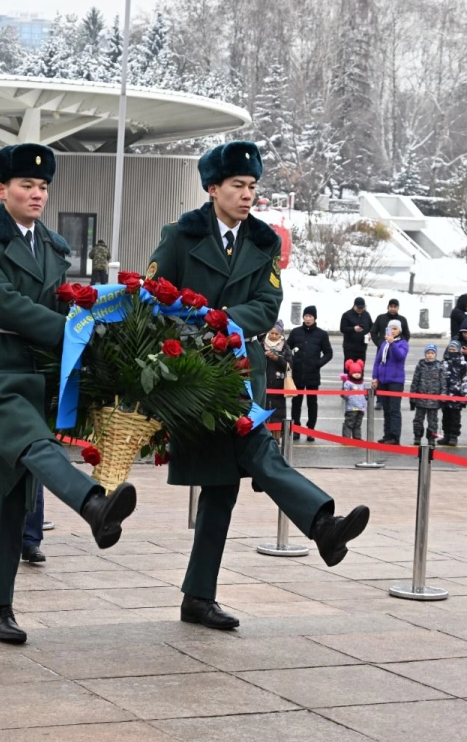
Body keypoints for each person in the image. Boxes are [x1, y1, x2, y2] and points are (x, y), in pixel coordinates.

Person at [144, 140, 369, 632]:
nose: (247, 195)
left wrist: (223, 319)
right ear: (213, 188)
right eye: (238, 186)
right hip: (194, 374)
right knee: (249, 456)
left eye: (252, 186)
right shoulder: (180, 235)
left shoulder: (264, 242)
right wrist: (197, 329)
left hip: (242, 372)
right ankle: (321, 524)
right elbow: (155, 297)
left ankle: (199, 597)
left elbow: (268, 304)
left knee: (222, 488)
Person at [0, 142, 145, 644]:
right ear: (1, 189)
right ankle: (92, 504)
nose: (37, 194)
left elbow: (65, 304)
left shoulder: (55, 248)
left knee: (13, 493)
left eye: (43, 186)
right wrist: (74, 333)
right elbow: (3, 304)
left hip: (34, 369)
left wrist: (106, 329)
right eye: (26, 185)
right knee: (33, 444)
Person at [286, 306, 333, 441]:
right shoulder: (295, 332)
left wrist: (318, 363)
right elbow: (287, 349)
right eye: (306, 316)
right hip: (298, 373)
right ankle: (296, 428)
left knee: (312, 403)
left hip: (313, 374)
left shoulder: (321, 334)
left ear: (315, 318)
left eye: (310, 316)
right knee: (296, 402)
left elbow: (328, 353)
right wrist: (292, 360)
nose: (308, 319)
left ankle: (310, 429)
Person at [371, 319, 408, 445]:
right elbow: (377, 361)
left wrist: (393, 343)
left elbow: (400, 356)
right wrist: (375, 377)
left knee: (394, 409)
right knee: (386, 409)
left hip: (395, 381)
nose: (392, 331)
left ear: (399, 331)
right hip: (383, 380)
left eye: (395, 329)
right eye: (390, 328)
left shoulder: (402, 343)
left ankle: (395, 436)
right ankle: (387, 435)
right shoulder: (384, 344)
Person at [409, 344, 444, 446]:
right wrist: (413, 397)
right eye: (428, 353)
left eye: (432, 353)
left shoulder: (439, 367)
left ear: (435, 354)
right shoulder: (420, 366)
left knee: (433, 421)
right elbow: (415, 382)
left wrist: (443, 396)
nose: (430, 355)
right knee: (418, 420)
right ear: (425, 354)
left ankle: (431, 438)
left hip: (434, 401)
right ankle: (417, 436)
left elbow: (443, 383)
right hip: (421, 399)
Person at [440, 340, 467, 447]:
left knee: (455, 417)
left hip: (457, 395)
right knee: (445, 416)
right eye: (450, 349)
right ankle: (446, 435)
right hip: (445, 395)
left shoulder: (463, 364)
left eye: (454, 349)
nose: (452, 351)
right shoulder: (444, 363)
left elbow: (465, 380)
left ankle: (454, 436)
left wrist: (464, 396)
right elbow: (440, 379)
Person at [262, 321, 292, 418]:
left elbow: (289, 366)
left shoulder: (285, 348)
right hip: (264, 383)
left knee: (278, 414)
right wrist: (264, 356)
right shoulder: (261, 345)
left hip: (279, 384)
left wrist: (278, 359)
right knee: (263, 409)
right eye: (272, 333)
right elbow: (255, 362)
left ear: (280, 335)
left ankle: (278, 427)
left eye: (276, 334)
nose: (274, 336)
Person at [339, 297, 371, 365]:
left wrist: (370, 333)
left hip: (362, 347)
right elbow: (342, 328)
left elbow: (371, 326)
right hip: (350, 348)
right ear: (354, 305)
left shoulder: (366, 314)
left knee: (360, 367)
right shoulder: (347, 315)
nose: (360, 309)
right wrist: (353, 329)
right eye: (359, 308)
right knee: (349, 367)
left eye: (362, 308)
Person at [341, 359, 366, 440]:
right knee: (349, 423)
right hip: (351, 407)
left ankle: (357, 438)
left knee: (358, 424)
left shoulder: (362, 383)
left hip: (360, 407)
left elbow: (365, 393)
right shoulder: (348, 383)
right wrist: (345, 394)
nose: (357, 374)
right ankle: (346, 438)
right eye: (355, 373)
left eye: (359, 372)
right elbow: (344, 393)